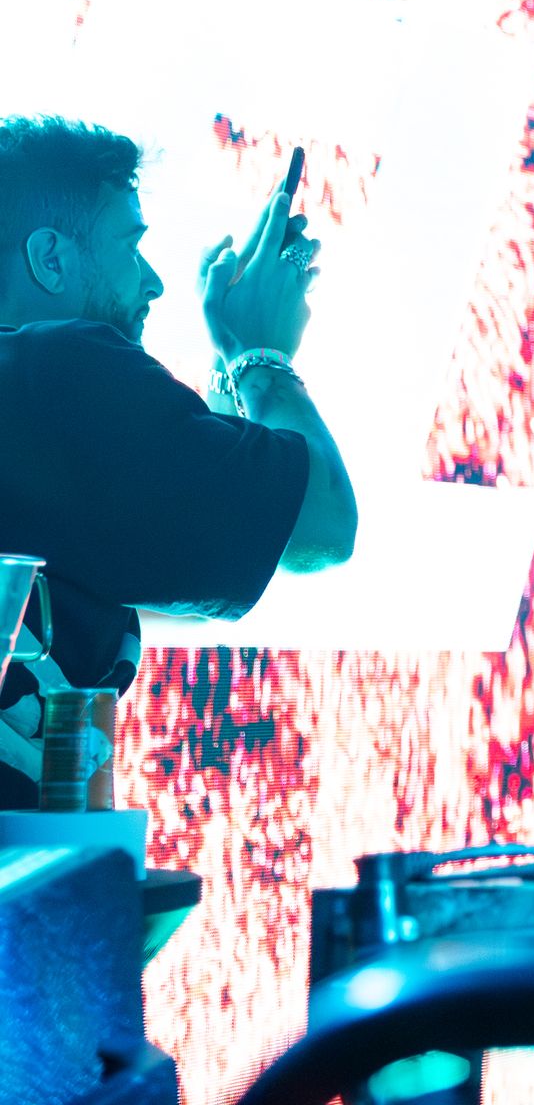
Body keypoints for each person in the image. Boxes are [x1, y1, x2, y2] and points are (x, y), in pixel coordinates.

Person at [0, 116, 358, 804]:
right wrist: (260, 356)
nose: (155, 281)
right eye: (130, 247)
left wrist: (228, 364)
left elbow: (185, 561)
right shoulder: (62, 369)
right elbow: (321, 527)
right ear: (50, 259)